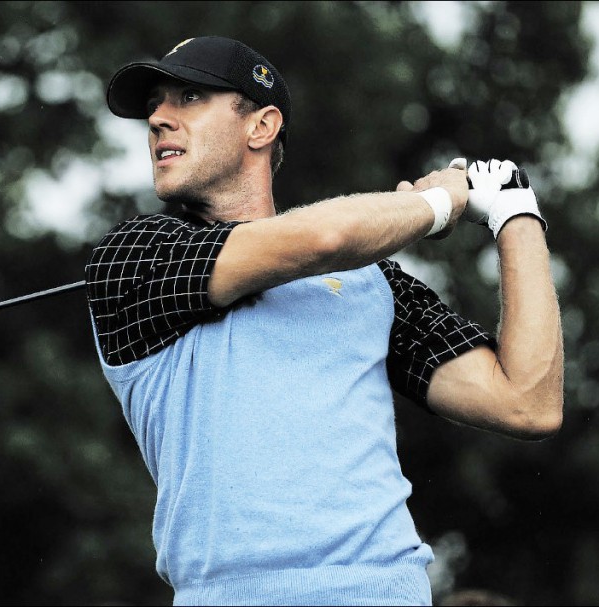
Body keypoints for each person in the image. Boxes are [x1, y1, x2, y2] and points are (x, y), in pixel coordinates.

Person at [84, 36, 563, 606]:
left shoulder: (371, 281)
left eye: (188, 96)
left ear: (261, 126)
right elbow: (322, 237)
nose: (159, 118)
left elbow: (527, 402)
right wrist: (440, 203)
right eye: (155, 104)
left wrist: (516, 214)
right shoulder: (133, 256)